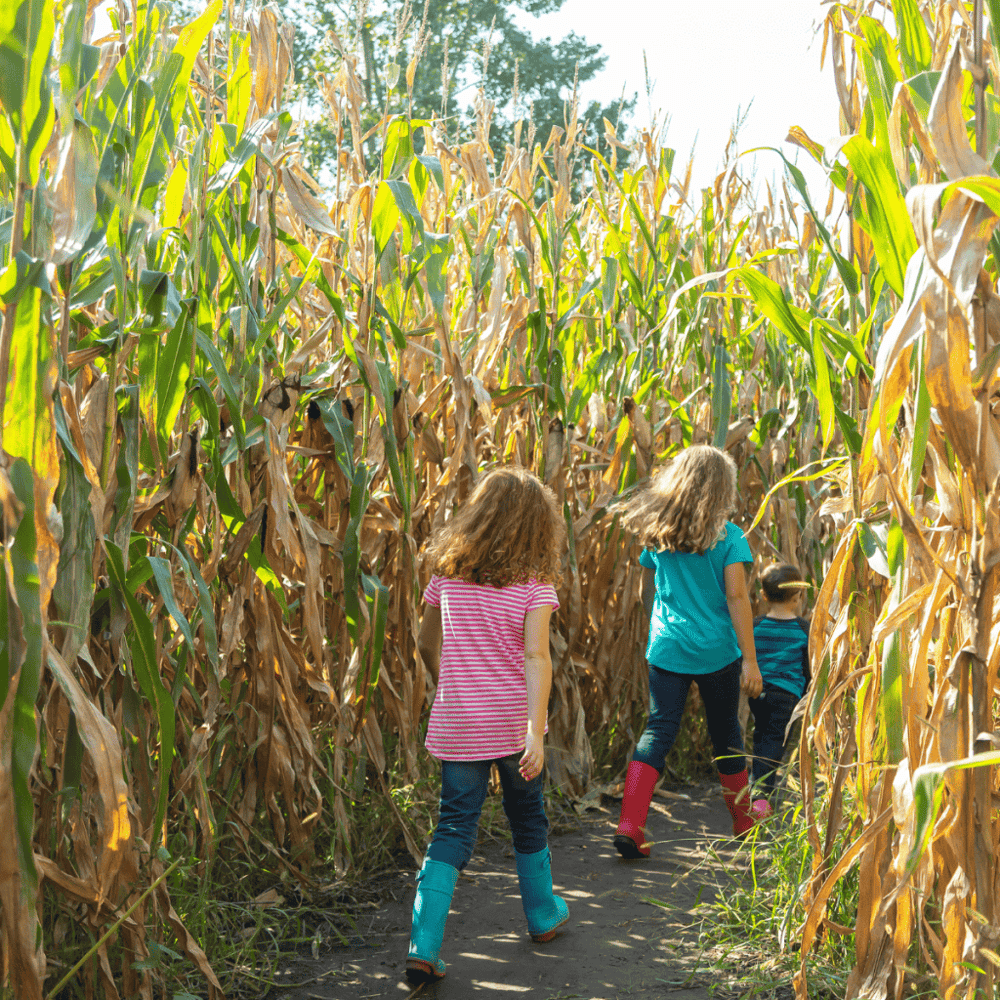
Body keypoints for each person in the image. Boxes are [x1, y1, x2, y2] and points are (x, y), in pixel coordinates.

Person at [405, 467, 570, 985]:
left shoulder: (446, 576)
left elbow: (425, 642)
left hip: (459, 723)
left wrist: (449, 684)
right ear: (537, 526)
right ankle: (543, 916)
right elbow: (537, 657)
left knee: (453, 828)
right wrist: (534, 731)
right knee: (528, 817)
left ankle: (423, 944)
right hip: (512, 726)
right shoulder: (533, 587)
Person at [613, 445, 763, 857]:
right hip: (717, 651)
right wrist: (749, 659)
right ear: (723, 489)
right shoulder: (729, 538)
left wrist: (658, 630)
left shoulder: (657, 533)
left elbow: (647, 589)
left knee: (658, 729)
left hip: (668, 648)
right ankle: (744, 822)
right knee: (726, 732)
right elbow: (737, 597)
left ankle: (630, 824)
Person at [746, 562, 811, 819]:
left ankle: (757, 790)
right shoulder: (803, 630)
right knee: (774, 743)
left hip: (758, 693)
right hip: (787, 695)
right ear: (797, 597)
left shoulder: (755, 626)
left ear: (763, 595)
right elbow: (808, 668)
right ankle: (760, 798)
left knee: (761, 736)